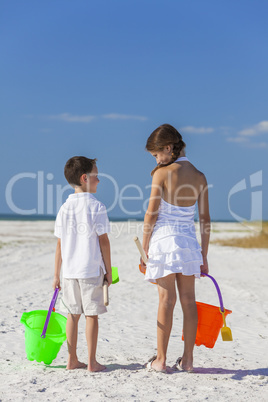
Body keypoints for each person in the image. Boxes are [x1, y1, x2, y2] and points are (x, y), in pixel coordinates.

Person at [141, 124, 210, 373]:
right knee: (189, 302)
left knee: (165, 300)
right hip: (189, 244)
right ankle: (188, 360)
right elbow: (205, 221)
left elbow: (151, 215)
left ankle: (160, 360)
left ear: (168, 148)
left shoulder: (162, 174)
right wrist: (203, 255)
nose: (157, 159)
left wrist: (145, 249)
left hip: (164, 242)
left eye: (156, 154)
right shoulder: (200, 176)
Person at [53, 156, 112, 372]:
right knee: (91, 315)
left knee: (72, 315)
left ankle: (71, 360)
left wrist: (56, 275)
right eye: (96, 176)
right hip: (90, 270)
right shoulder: (97, 206)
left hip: (68, 272)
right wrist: (107, 271)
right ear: (85, 177)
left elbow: (59, 245)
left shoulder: (64, 208)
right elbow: (103, 242)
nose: (99, 180)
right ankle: (92, 362)